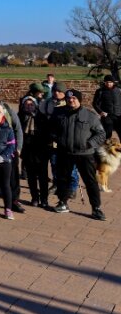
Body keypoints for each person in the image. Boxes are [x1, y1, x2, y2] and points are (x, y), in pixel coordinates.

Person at [52, 90, 107, 220]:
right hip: (65, 152)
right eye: (68, 99)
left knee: (90, 181)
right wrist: (57, 138)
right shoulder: (59, 113)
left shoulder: (90, 116)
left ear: (79, 100)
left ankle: (96, 208)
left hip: (85, 154)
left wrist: (89, 143)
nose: (71, 101)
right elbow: (52, 129)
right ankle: (63, 202)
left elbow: (101, 134)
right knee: (62, 179)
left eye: (74, 99)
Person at [18, 96, 50, 207]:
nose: (29, 106)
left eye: (31, 104)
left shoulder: (41, 117)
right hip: (27, 150)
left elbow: (47, 133)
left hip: (41, 150)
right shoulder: (20, 117)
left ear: (35, 105)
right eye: (26, 104)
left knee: (43, 176)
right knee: (31, 176)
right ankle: (34, 197)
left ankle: (44, 199)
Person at [92, 75, 120, 140]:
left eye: (110, 82)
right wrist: (100, 112)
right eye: (107, 82)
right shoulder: (100, 91)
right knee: (107, 134)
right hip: (107, 116)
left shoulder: (118, 90)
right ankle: (106, 148)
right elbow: (95, 103)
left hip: (118, 115)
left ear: (113, 82)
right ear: (104, 82)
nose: (109, 84)